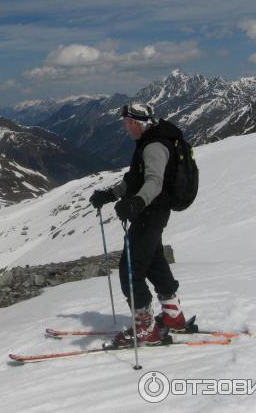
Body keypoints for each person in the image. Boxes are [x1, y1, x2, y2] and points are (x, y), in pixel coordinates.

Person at [89, 103, 186, 347]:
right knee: (154, 261)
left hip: (149, 213)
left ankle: (145, 328)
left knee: (130, 270)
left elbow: (154, 182)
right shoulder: (149, 140)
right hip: (152, 212)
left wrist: (136, 203)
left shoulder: (153, 146)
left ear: (134, 122)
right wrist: (110, 195)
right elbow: (135, 178)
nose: (124, 127)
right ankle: (173, 316)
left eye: (126, 122)